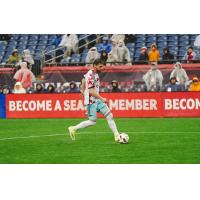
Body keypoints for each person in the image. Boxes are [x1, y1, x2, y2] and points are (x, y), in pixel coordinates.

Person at [68, 59, 121, 142]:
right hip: (91, 101)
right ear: (94, 66)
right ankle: (73, 128)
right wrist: (102, 98)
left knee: (109, 115)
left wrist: (82, 90)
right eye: (100, 66)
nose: (102, 68)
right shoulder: (91, 75)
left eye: (103, 66)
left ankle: (117, 135)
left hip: (96, 99)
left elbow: (83, 79)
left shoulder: (93, 73)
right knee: (92, 122)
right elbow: (92, 91)